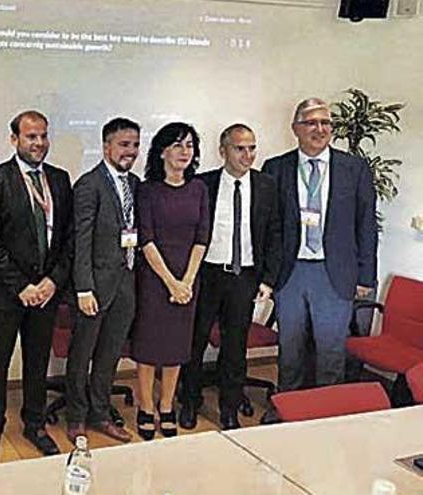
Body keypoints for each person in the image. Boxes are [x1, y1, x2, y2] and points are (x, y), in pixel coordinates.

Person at [0, 110, 73, 464]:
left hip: (46, 292)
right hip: (6, 293)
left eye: (44, 136)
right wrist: (21, 286)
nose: (39, 143)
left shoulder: (60, 180)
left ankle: (35, 423)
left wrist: (51, 282)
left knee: (37, 361)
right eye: (31, 136)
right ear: (14, 139)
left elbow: (68, 240)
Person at [263, 98, 377, 395]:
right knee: (290, 348)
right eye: (311, 122)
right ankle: (286, 406)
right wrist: (266, 275)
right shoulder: (276, 168)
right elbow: (267, 227)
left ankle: (327, 412)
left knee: (331, 350)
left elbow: (366, 225)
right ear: (295, 128)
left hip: (335, 272)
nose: (320, 129)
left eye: (325, 122)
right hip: (291, 272)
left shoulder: (355, 168)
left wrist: (366, 277)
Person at [178, 124, 281, 431]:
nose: (247, 155)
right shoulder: (202, 184)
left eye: (251, 148)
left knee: (235, 346)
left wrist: (268, 280)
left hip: (244, 276)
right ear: (223, 151)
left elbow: (275, 234)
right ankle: (190, 401)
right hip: (207, 274)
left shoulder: (267, 186)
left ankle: (229, 408)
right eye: (239, 148)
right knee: (194, 342)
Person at [64, 117, 141, 444]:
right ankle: (76, 417)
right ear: (106, 145)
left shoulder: (135, 183)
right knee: (82, 356)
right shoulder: (88, 185)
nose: (131, 151)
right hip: (93, 287)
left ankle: (100, 413)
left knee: (109, 355)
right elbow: (80, 240)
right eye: (124, 144)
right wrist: (83, 287)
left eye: (135, 145)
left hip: (125, 283)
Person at [132, 122, 210, 441]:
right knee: (149, 346)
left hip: (189, 277)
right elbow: (145, 239)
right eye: (177, 145)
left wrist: (187, 281)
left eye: (190, 145)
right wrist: (170, 282)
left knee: (177, 347)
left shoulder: (200, 188)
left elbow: (202, 237)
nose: (184, 151)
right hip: (154, 279)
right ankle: (146, 407)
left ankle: (167, 406)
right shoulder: (147, 190)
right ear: (162, 150)